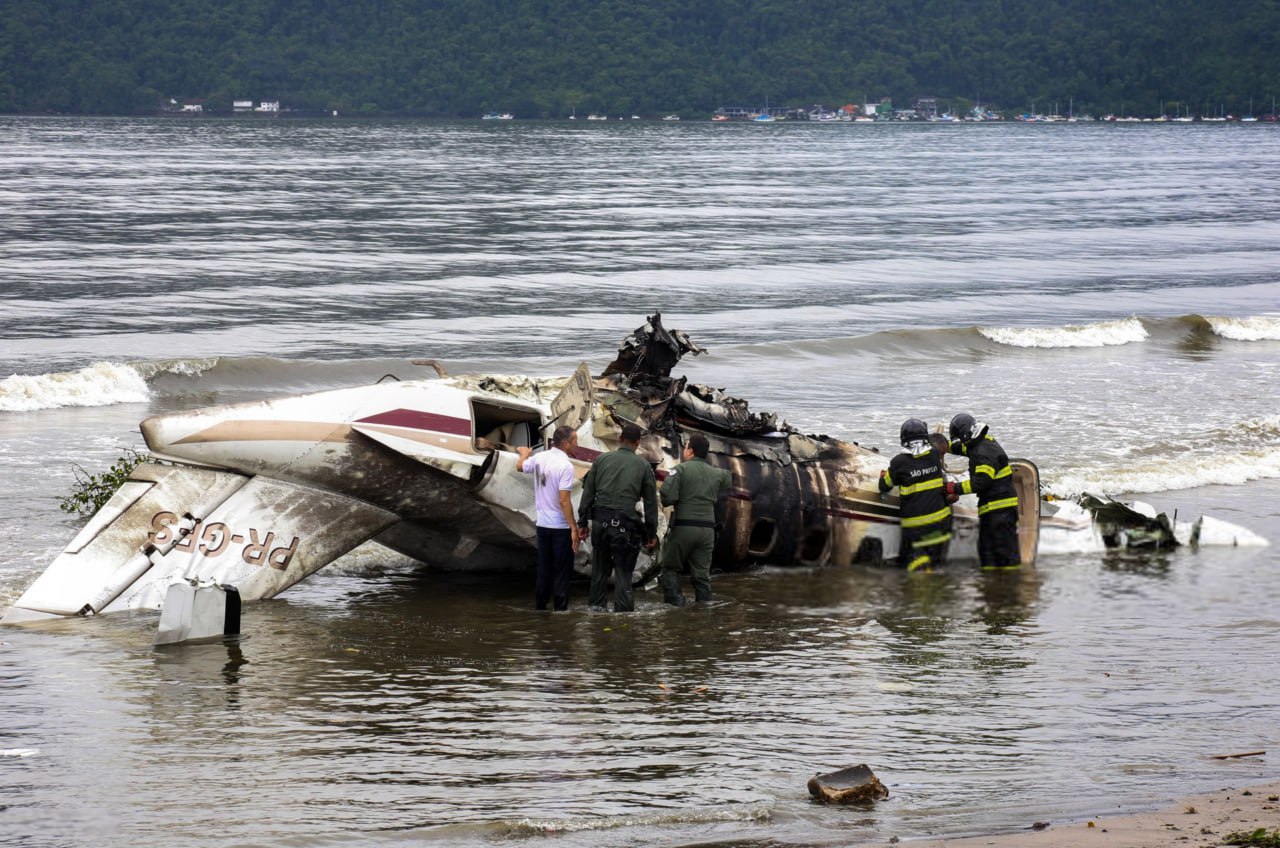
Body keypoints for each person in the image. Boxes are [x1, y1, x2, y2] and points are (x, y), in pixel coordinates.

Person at [576, 422, 659, 612]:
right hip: (625, 527)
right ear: (637, 443)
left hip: (599, 524)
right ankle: (624, 622)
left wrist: (582, 522)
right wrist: (651, 533)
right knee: (623, 574)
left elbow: (587, 494)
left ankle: (596, 615)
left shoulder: (601, 460)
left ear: (620, 439)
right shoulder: (644, 466)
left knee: (599, 572)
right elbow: (650, 504)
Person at [658, 432, 732, 606]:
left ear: (690, 451)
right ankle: (704, 609)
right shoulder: (717, 473)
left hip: (684, 527)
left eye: (686, 447)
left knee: (671, 568)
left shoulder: (681, 470)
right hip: (707, 531)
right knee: (701, 574)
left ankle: (675, 607)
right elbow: (728, 480)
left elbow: (667, 496)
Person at [516, 425, 581, 610]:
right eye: (575, 441)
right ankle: (560, 611)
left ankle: (540, 607)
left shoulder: (540, 458)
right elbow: (564, 500)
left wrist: (525, 453)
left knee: (544, 568)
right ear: (566, 444)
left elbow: (520, 466)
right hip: (560, 527)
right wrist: (574, 528)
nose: (577, 444)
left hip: (542, 525)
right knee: (561, 571)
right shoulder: (566, 466)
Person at [878, 418, 954, 571]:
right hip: (940, 523)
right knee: (933, 564)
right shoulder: (934, 455)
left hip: (915, 529)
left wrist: (884, 476)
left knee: (914, 567)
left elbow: (884, 486)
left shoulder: (898, 462)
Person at [949, 412, 1021, 570]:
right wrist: (941, 444)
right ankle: (990, 584)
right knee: (986, 550)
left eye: (961, 439)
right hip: (992, 507)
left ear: (967, 435)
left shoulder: (984, 453)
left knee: (1004, 553)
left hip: (1000, 508)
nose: (962, 443)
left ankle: (1011, 586)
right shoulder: (978, 442)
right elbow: (961, 448)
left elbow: (981, 483)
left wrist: (954, 488)